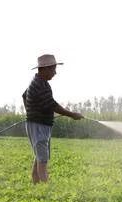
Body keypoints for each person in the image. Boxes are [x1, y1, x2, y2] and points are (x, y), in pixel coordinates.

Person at [23, 54, 83, 184]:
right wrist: (72, 114)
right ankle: (46, 191)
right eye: (53, 69)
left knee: (39, 157)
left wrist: (31, 112)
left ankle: (36, 186)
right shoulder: (40, 84)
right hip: (38, 125)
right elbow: (52, 104)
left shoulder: (39, 82)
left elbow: (24, 95)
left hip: (39, 124)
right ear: (44, 69)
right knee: (42, 160)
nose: (55, 73)